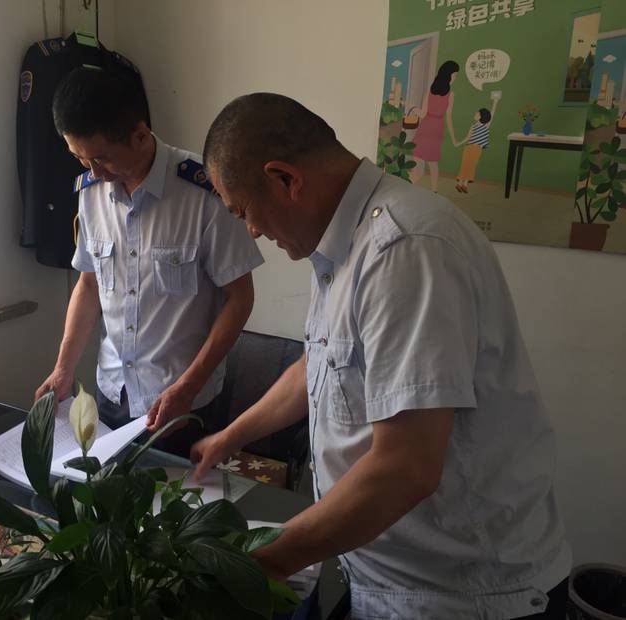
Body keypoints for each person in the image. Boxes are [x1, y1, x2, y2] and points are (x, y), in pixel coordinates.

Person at [194, 93, 571, 619]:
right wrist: (231, 436)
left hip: (459, 597)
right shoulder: (343, 244)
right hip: (382, 573)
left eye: (243, 212)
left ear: (284, 179)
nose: (251, 230)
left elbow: (406, 467)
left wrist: (264, 562)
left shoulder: (405, 249)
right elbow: (320, 365)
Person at [35, 68, 263, 457]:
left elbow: (240, 298)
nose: (94, 172)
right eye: (80, 158)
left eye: (101, 158)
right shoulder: (91, 192)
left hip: (182, 402)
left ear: (140, 135)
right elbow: (89, 283)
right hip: (111, 393)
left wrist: (189, 387)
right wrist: (63, 368)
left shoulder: (204, 193)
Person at [410, 60, 459, 193]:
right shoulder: (450, 95)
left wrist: (413, 109)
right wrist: (454, 139)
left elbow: (422, 114)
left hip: (426, 126)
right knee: (432, 163)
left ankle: (411, 188)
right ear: (448, 75)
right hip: (436, 127)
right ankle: (434, 191)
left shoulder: (429, 92)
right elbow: (448, 118)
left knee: (419, 163)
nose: (455, 78)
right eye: (455, 75)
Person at [455, 92, 500, 193]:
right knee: (465, 164)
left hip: (477, 149)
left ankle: (465, 184)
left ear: (481, 116)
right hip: (468, 148)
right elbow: (467, 137)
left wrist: (495, 102)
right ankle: (460, 183)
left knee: (472, 166)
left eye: (477, 113)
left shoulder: (486, 126)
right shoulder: (473, 126)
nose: (475, 114)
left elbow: (492, 114)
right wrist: (459, 143)